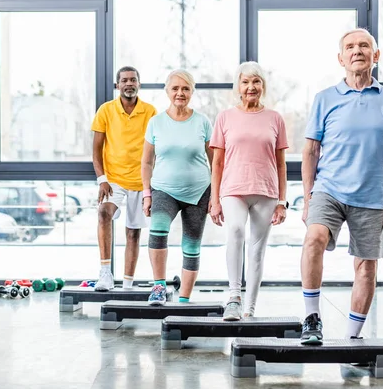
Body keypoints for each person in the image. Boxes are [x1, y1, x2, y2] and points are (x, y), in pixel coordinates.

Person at [299, 28, 383, 345]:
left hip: (374, 195)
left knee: (366, 268)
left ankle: (352, 338)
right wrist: (308, 198)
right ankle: (311, 318)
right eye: (350, 46)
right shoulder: (325, 98)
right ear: (340, 58)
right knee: (313, 239)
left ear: (376, 56)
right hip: (329, 189)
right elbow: (309, 151)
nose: (357, 50)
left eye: (364, 45)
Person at [210, 61, 289, 320]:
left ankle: (250, 308)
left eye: (256, 82)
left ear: (262, 86)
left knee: (257, 249)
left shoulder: (275, 118)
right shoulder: (225, 117)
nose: (251, 87)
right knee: (235, 230)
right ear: (238, 86)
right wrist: (214, 200)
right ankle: (234, 296)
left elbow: (280, 163)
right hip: (233, 188)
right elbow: (218, 162)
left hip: (266, 191)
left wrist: (282, 201)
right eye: (245, 82)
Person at [141, 69, 213, 305]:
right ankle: (159, 287)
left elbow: (216, 161)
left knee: (192, 243)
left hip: (199, 190)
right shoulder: (156, 122)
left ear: (192, 91)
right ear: (167, 91)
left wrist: (217, 195)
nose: (180, 93)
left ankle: (184, 299)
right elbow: (146, 161)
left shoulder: (202, 121)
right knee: (158, 230)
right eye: (175, 88)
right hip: (164, 188)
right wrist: (147, 194)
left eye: (185, 88)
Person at [91, 66, 157, 291]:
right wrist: (102, 179)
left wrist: (150, 187)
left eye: (133, 80)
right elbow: (97, 149)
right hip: (114, 180)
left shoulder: (150, 112)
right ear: (117, 85)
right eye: (125, 80)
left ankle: (128, 284)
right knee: (103, 213)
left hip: (140, 182)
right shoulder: (106, 110)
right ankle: (105, 274)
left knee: (133, 232)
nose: (129, 84)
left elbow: (156, 150)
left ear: (139, 83)